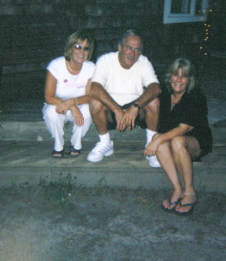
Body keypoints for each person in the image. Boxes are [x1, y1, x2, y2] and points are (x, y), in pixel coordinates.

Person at [144, 58, 212, 215]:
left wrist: (158, 139)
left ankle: (190, 192)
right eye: (175, 74)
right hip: (173, 143)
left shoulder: (196, 97)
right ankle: (178, 190)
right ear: (170, 76)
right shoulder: (165, 95)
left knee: (176, 140)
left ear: (190, 80)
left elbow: (184, 127)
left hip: (196, 141)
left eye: (184, 76)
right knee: (161, 141)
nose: (179, 80)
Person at [87, 29, 161, 167]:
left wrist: (135, 107)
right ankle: (105, 143)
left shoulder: (143, 62)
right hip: (111, 111)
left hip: (136, 112)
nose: (133, 54)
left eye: (137, 50)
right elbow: (95, 88)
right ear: (120, 47)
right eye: (129, 48)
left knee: (154, 101)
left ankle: (152, 146)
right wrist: (117, 109)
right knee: (95, 102)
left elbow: (155, 88)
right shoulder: (106, 60)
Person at [43, 30, 96, 158]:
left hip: (80, 104)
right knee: (51, 113)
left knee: (89, 111)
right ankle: (58, 144)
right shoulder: (56, 65)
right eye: (78, 47)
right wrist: (71, 105)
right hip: (58, 104)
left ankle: (76, 142)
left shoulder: (91, 67)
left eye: (86, 48)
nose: (81, 52)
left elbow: (89, 96)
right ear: (70, 48)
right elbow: (48, 97)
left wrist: (73, 102)